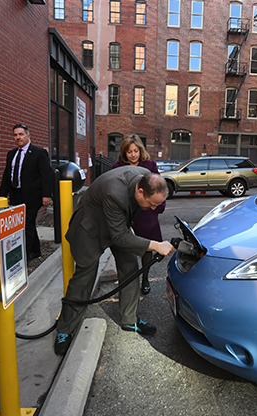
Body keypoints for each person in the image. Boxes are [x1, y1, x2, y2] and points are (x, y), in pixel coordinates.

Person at [54, 166, 175, 355]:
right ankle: (64, 330)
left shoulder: (144, 178)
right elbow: (120, 237)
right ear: (140, 191)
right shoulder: (114, 193)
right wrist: (156, 245)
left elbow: (121, 231)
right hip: (90, 227)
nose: (152, 209)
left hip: (118, 224)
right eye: (151, 204)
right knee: (85, 277)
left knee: (130, 267)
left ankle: (130, 320)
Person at [112, 134, 165, 294]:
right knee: (127, 247)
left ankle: (145, 278)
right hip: (127, 213)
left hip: (146, 214)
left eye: (135, 151)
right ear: (124, 153)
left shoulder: (150, 165)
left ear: (140, 150)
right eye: (129, 152)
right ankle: (129, 282)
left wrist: (157, 207)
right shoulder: (117, 167)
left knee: (147, 248)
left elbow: (159, 187)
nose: (133, 155)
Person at [0, 124, 53, 259]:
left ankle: (25, 255)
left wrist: (47, 195)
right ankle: (35, 250)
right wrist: (1, 197)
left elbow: (46, 175)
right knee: (27, 223)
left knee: (26, 223)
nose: (18, 137)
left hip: (33, 196)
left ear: (28, 136)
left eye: (21, 134)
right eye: (15, 135)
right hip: (16, 195)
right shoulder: (11, 154)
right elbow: (7, 176)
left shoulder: (39, 153)